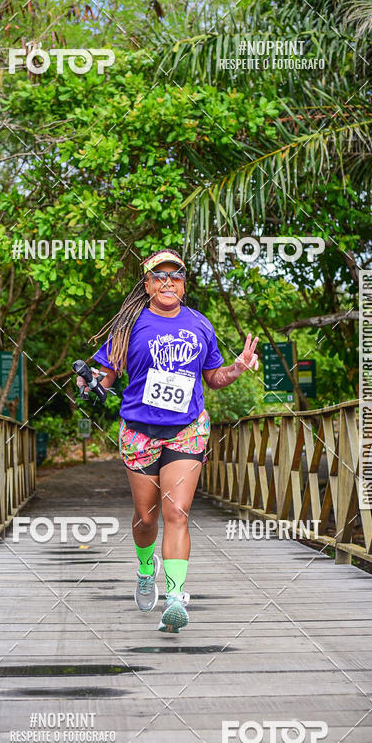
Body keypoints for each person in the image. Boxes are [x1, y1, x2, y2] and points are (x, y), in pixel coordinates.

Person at [78, 248, 258, 633]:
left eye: (174, 277)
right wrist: (89, 381)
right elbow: (103, 377)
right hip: (140, 431)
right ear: (147, 285)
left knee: (177, 512)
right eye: (158, 277)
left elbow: (214, 379)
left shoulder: (200, 325)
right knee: (146, 518)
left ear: (183, 284)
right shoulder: (129, 328)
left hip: (187, 430)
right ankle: (146, 569)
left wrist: (238, 367)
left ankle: (175, 598)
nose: (167, 283)